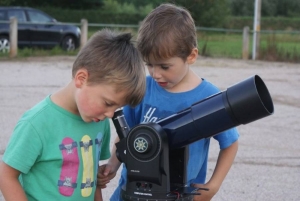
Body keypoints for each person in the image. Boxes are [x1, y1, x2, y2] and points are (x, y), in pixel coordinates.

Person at [98, 3, 239, 201]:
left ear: (191, 56)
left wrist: (213, 186)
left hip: (178, 196)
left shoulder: (209, 97)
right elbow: (125, 135)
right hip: (132, 191)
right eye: (149, 65)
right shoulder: (143, 88)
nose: (155, 74)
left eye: (165, 66)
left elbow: (230, 143)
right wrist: (114, 163)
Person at [0, 29, 146, 201]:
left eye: (117, 107)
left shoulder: (99, 121)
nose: (110, 114)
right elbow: (6, 175)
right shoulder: (37, 123)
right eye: (108, 103)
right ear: (81, 78)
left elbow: (92, 180)